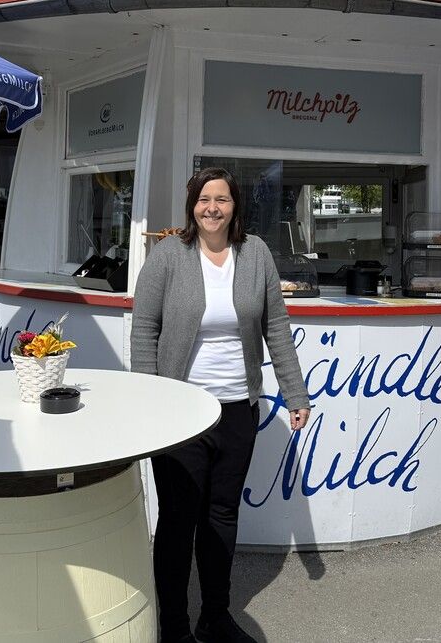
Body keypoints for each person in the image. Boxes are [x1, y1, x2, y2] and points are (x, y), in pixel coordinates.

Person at [132, 167, 311, 643]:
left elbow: (276, 327)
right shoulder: (170, 254)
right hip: (179, 412)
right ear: (192, 204)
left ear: (236, 206)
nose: (213, 208)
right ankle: (173, 626)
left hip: (236, 409)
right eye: (204, 199)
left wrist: (295, 393)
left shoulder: (255, 255)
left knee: (222, 515)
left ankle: (215, 615)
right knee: (176, 520)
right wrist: (149, 398)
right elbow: (144, 328)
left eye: (223, 200)